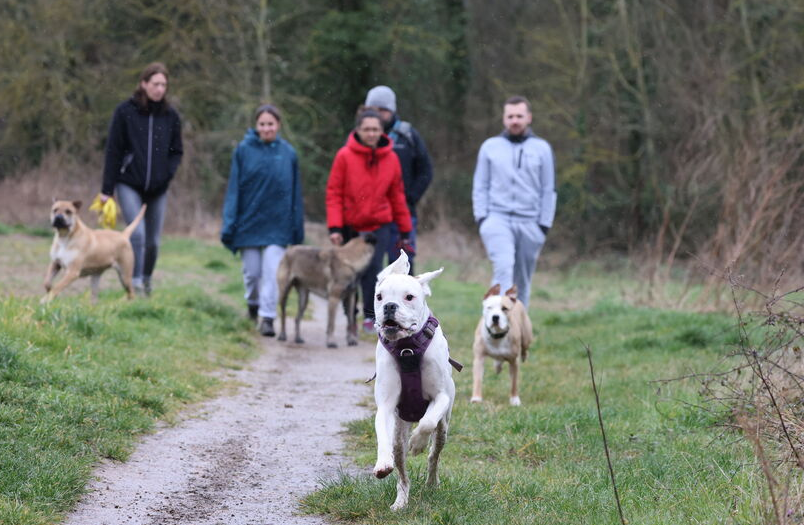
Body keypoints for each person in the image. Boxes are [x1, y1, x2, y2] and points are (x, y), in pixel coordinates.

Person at [326, 108, 413, 334]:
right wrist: (335, 227)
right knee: (348, 273)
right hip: (351, 226)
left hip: (379, 226)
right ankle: (350, 315)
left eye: (375, 129)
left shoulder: (391, 158)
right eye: (367, 129)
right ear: (358, 130)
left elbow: (397, 195)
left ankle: (369, 316)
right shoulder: (344, 156)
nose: (371, 133)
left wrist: (405, 229)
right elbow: (334, 192)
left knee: (374, 272)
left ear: (382, 131)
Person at [221, 104, 304, 337]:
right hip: (248, 223)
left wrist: (297, 226)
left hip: (278, 225)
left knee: (271, 272)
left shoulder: (289, 153)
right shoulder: (243, 151)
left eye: (271, 124)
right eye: (262, 124)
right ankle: (253, 305)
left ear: (278, 125)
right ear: (256, 126)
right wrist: (230, 222)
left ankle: (268, 318)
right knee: (252, 273)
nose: (267, 128)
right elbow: (234, 189)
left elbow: (295, 193)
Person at [101, 62, 183, 297]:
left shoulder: (170, 116)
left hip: (159, 188)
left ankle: (146, 279)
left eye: (164, 85)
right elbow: (113, 150)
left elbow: (177, 151)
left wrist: (167, 174)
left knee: (153, 242)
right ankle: (133, 282)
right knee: (136, 235)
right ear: (144, 84)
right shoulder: (125, 111)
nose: (159, 89)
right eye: (155, 84)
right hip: (129, 182)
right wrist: (106, 189)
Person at [472, 95, 556, 307]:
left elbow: (548, 189)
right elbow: (480, 185)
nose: (515, 120)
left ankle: (518, 329)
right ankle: (494, 328)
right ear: (504, 119)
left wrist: (543, 225)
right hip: (497, 218)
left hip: (531, 223)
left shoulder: (542, 149)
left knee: (522, 280)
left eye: (519, 116)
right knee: (503, 269)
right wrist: (482, 218)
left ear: (529, 117)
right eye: (510, 116)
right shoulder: (490, 147)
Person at [364, 85, 433, 274]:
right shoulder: (363, 135)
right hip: (371, 214)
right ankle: (370, 304)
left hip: (403, 214)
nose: (378, 114)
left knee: (402, 264)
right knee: (370, 267)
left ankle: (408, 304)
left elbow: (426, 171)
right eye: (373, 109)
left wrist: (409, 198)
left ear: (392, 111)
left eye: (383, 110)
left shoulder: (408, 136)